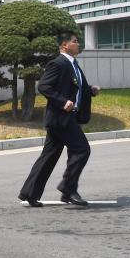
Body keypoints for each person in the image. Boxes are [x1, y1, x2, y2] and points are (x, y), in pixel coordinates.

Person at [19, 32, 101, 207]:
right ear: (64, 45)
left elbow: (74, 86)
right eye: (75, 42)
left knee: (49, 155)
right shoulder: (58, 63)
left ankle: (30, 193)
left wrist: (89, 89)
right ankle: (67, 188)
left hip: (63, 119)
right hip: (61, 118)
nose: (78, 44)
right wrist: (63, 102)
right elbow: (44, 86)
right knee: (81, 149)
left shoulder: (73, 64)